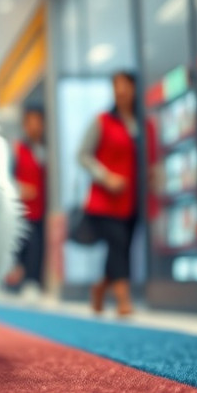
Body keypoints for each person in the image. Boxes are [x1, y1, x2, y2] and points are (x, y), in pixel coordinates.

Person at [77, 71, 155, 316]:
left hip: (134, 200)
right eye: (116, 86)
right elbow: (83, 155)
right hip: (105, 200)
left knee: (123, 247)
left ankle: (101, 288)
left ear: (134, 89)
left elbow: (151, 158)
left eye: (125, 86)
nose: (120, 91)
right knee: (118, 243)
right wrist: (106, 177)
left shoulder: (145, 124)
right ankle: (124, 300)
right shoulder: (102, 121)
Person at [6, 105, 47, 296]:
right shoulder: (17, 150)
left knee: (39, 249)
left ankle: (34, 282)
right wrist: (21, 189)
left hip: (42, 211)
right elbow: (5, 179)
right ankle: (24, 283)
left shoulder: (48, 151)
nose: (35, 127)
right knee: (28, 247)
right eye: (31, 122)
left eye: (38, 122)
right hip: (22, 211)